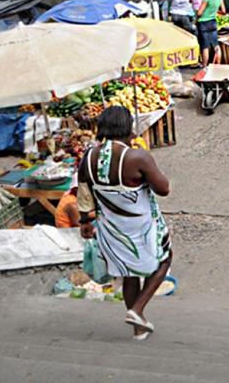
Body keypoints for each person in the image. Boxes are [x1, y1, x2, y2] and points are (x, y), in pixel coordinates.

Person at [78, 106, 172, 340]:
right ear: (128, 128)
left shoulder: (89, 157)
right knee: (164, 259)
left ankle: (138, 330)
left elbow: (84, 194)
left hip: (112, 229)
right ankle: (137, 310)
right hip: (141, 228)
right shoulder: (137, 157)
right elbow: (163, 189)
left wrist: (85, 222)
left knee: (129, 273)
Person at [195, 0, 226, 67]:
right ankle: (218, 64)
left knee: (205, 46)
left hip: (203, 23)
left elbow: (199, 13)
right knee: (216, 44)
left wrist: (197, 13)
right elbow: (223, 11)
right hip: (213, 22)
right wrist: (215, 11)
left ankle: (204, 65)